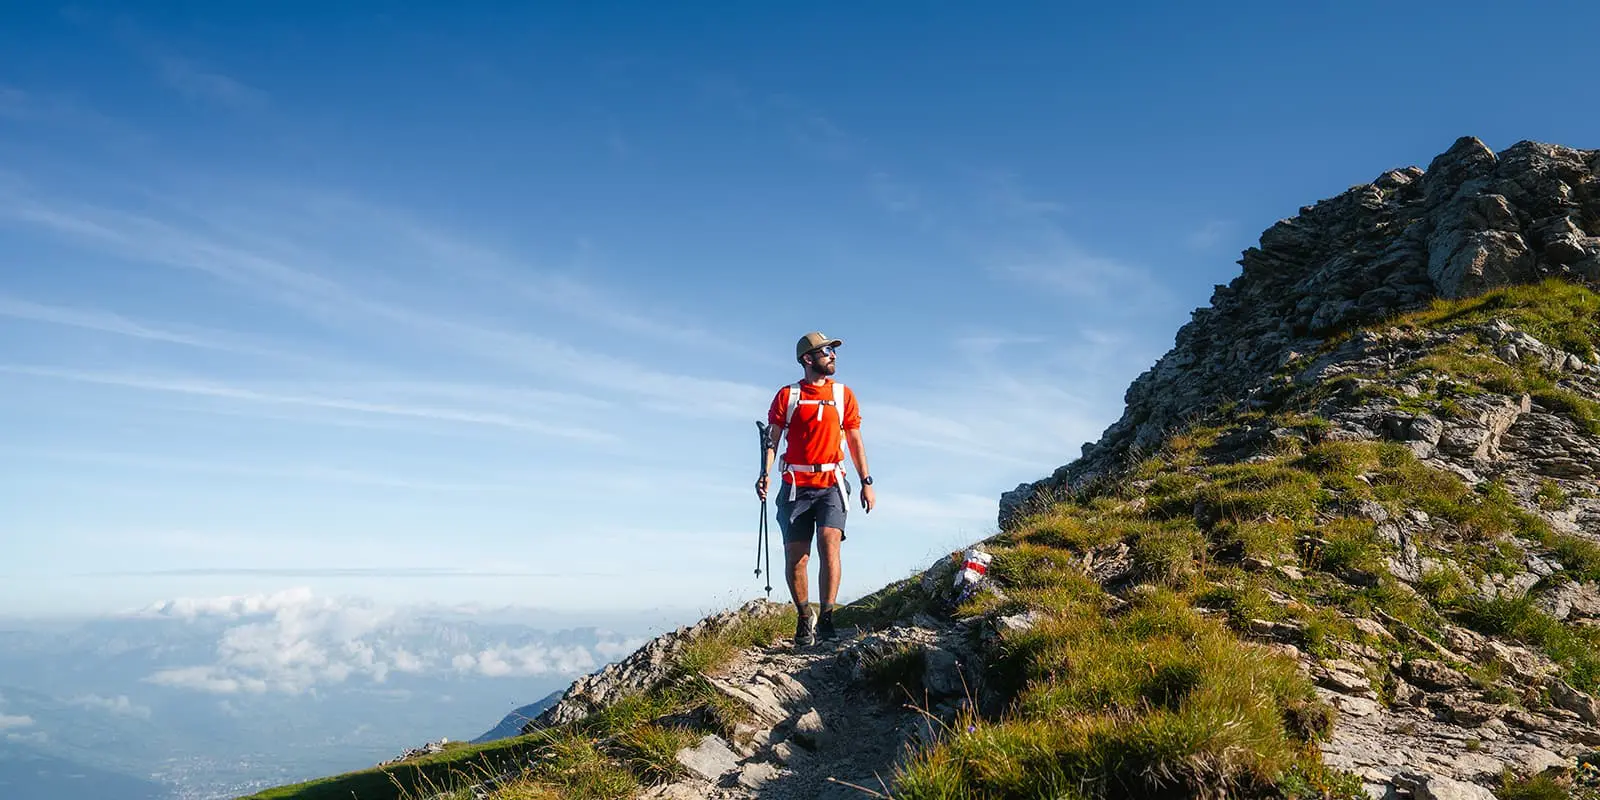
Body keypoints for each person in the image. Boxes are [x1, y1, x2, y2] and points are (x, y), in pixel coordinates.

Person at [756, 331, 876, 647]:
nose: (833, 356)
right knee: (797, 557)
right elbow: (773, 438)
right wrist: (764, 474)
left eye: (832, 351)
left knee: (828, 542)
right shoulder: (787, 396)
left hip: (832, 484)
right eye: (826, 351)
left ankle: (826, 618)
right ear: (808, 359)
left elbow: (854, 440)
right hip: (795, 486)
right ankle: (803, 616)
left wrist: (866, 481)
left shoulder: (843, 395)